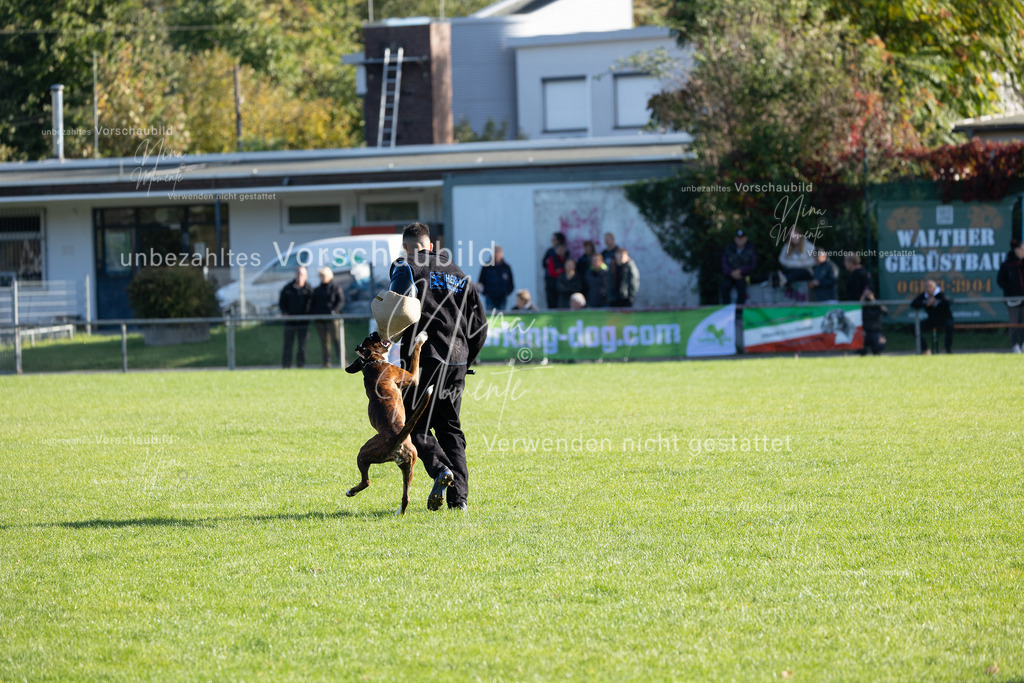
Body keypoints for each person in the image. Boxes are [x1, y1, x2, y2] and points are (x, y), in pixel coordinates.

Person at [389, 222, 488, 511]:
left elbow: (394, 310)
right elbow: (480, 326)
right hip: (457, 360)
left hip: (424, 359)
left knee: (411, 425)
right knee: (449, 428)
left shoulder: (405, 266)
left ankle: (442, 470)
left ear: (406, 247)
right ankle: (460, 501)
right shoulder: (458, 272)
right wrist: (465, 360)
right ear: (430, 245)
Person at [279, 265, 313, 368]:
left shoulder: (309, 289)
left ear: (306, 276)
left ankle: (300, 365)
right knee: (288, 344)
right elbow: (282, 303)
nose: (300, 276)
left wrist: (308, 315)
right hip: (290, 321)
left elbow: (312, 304)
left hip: (304, 322)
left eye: (302, 274)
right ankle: (286, 365)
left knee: (302, 345)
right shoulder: (287, 288)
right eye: (298, 274)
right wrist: (285, 313)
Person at [311, 266, 345, 368]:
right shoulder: (317, 290)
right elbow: (313, 303)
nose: (322, 278)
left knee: (336, 339)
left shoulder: (335, 288)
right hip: (320, 318)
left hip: (332, 318)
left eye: (324, 276)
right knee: (324, 341)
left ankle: (343, 360)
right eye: (321, 276)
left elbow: (341, 301)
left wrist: (334, 311)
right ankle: (327, 362)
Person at [910, 279, 953, 354]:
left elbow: (949, 301)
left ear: (934, 287)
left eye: (930, 287)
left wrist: (935, 301)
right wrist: (926, 303)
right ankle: (925, 349)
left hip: (944, 319)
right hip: (932, 320)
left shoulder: (940, 294)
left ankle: (948, 350)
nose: (928, 289)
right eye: (926, 287)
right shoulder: (924, 295)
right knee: (914, 327)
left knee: (949, 326)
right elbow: (913, 303)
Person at [997, 239, 1024, 353]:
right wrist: (1011, 290)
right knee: (1014, 323)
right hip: (1012, 299)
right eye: (1022, 249)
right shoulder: (1007, 264)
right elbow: (1000, 280)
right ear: (1016, 249)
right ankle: (1015, 345)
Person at [720, 228, 757, 304]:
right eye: (738, 238)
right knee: (724, 285)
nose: (740, 240)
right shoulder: (729, 249)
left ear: (746, 239)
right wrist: (731, 273)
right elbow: (724, 265)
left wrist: (741, 271)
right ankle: (726, 310)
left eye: (742, 238)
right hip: (730, 275)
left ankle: (740, 310)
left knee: (742, 285)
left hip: (745, 276)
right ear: (735, 239)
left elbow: (752, 265)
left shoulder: (750, 249)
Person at [478, 245, 515, 312]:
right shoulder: (486, 267)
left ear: (502, 254)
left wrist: (507, 292)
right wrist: (485, 293)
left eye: (499, 252)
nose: (497, 254)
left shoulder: (506, 267)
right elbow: (481, 282)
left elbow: (511, 283)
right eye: (495, 252)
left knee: (502, 316)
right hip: (490, 297)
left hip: (502, 297)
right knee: (491, 316)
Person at [541, 233, 568, 309]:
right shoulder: (550, 252)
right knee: (551, 303)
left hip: (562, 283)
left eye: (554, 239)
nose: (552, 241)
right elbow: (544, 264)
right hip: (551, 282)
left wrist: (560, 270)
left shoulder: (566, 253)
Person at [859, 290, 888, 356]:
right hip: (864, 332)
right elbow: (854, 313)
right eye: (865, 295)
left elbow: (886, 311)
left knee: (880, 344)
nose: (867, 296)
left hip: (876, 332)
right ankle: (862, 352)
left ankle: (876, 351)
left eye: (869, 294)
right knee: (859, 344)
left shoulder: (877, 306)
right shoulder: (861, 307)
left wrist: (874, 301)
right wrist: (861, 301)